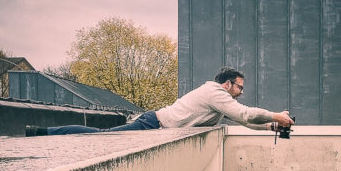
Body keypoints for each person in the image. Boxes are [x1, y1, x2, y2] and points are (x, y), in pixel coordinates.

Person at [25, 68, 294, 136]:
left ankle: (40, 132)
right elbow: (245, 114)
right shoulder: (215, 94)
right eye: (240, 87)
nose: (241, 92)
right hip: (151, 125)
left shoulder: (218, 98)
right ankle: (41, 132)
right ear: (227, 84)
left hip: (156, 125)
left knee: (100, 136)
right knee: (100, 136)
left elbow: (242, 120)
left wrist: (271, 127)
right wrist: (275, 116)